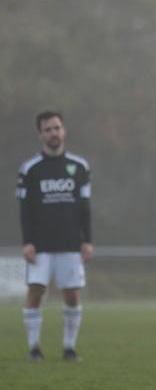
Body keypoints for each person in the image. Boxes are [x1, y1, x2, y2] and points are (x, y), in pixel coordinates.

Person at [17, 111, 92, 361]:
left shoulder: (79, 166)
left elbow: (85, 207)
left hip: (70, 243)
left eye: (56, 128)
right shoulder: (30, 169)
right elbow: (25, 210)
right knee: (36, 291)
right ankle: (33, 348)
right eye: (47, 129)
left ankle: (69, 348)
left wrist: (87, 240)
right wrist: (27, 241)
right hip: (40, 244)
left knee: (72, 294)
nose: (53, 133)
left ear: (64, 130)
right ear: (40, 134)